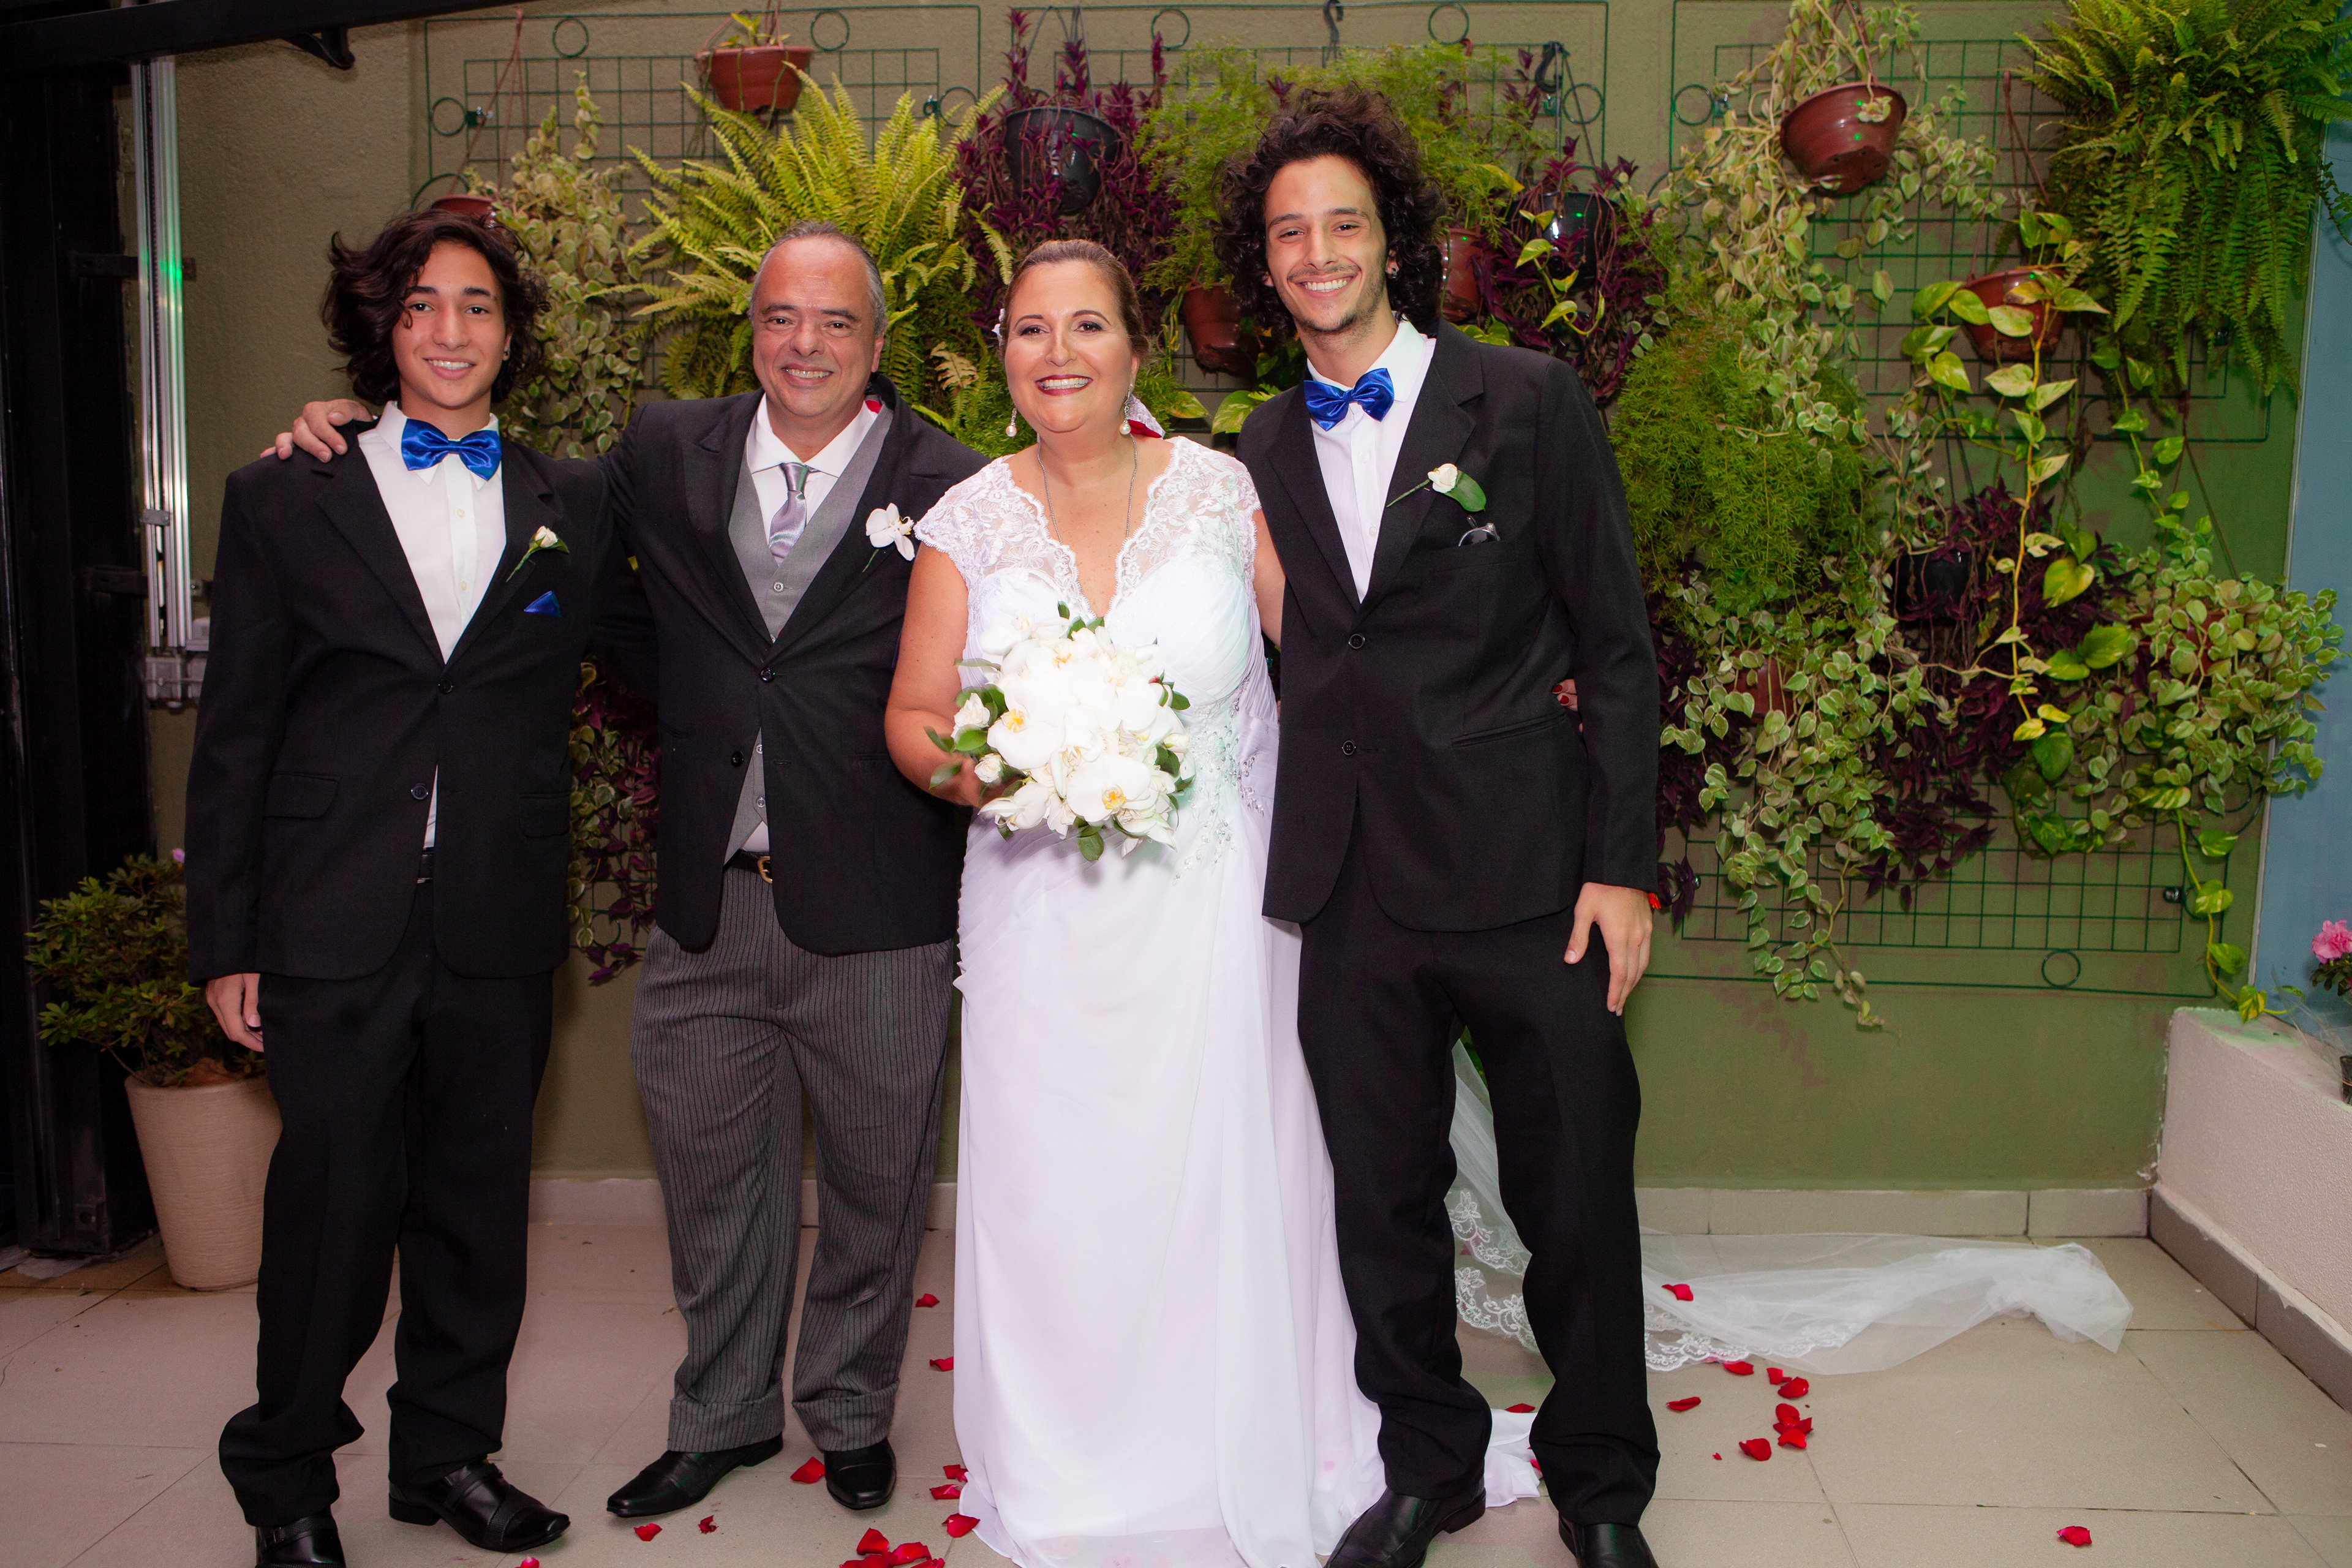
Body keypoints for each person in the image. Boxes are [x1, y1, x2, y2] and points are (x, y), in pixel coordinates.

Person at [276, 220, 985, 1517]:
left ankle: (847, 1410)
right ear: (749, 331)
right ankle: (724, 1413)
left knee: (878, 1187)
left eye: (836, 321)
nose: (806, 343)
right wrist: (351, 425)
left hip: (881, 896)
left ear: (878, 342)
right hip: (708, 902)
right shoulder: (663, 450)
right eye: (780, 316)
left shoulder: (957, 481)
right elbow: (536, 529)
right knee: (712, 1180)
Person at [883, 238, 1537, 1568]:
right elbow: (912, 714)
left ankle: (1255, 1431)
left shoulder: (1223, 490)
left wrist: (1506, 698)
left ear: (1138, 348)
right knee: (1067, 1192)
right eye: (1029, 329)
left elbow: (1340, 654)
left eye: (1088, 325)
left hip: (1220, 907)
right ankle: (1081, 1456)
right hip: (1039, 921)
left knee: (1238, 1175)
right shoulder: (964, 522)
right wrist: (1007, 771)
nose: (1057, 353)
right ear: (1003, 355)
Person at [1216, 91, 1666, 1568]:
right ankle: (1429, 1465)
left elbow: (1616, 645)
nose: (1318, 252)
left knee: (1575, 1195)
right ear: (1264, 264)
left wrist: (1622, 866)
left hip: (1531, 873)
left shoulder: (1526, 401)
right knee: (1383, 1206)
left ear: (1393, 241)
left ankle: (1601, 1486)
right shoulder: (1257, 441)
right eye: (1289, 233)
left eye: (1343, 223)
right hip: (1347, 882)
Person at [188, 209, 652, 1568]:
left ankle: (446, 1454)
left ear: (511, 334)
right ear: (382, 330)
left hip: (496, 914)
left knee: (476, 1209)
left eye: (478, 307)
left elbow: (662, 643)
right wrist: (226, 937)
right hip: (330, 913)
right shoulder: (287, 492)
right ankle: (285, 1477)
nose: (452, 332)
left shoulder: (574, 501)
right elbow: (236, 731)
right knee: (331, 1209)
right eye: (422, 307)